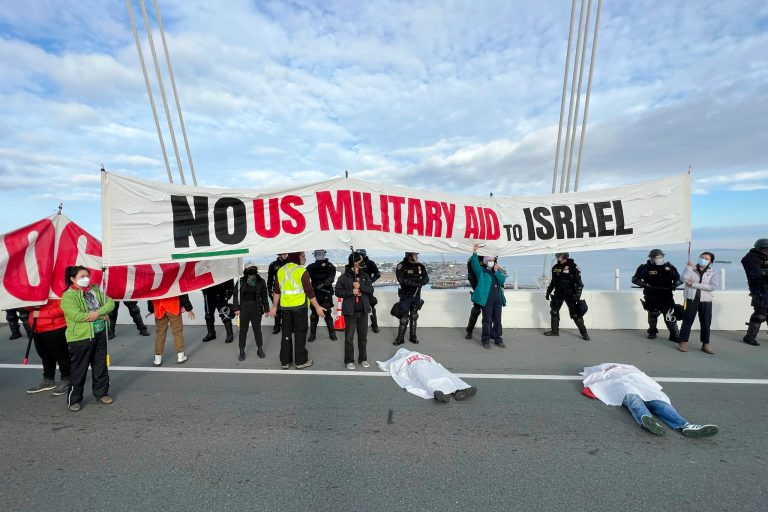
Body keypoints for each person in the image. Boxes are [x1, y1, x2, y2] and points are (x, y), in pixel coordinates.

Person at [581, 363, 719, 438]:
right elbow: (591, 381)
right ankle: (647, 421)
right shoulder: (601, 371)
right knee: (634, 400)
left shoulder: (630, 368)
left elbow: (643, 377)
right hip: (624, 387)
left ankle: (686, 425)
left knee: (660, 404)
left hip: (642, 386)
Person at [60, 265, 115, 412]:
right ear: (72, 279)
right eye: (82, 276)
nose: (86, 279)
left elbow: (110, 303)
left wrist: (100, 312)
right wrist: (100, 315)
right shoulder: (68, 296)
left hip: (100, 333)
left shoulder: (95, 289)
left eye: (87, 276)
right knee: (79, 369)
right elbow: (76, 316)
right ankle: (74, 399)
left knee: (100, 366)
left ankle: (101, 393)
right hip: (80, 338)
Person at [267, 252, 327, 370]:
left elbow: (276, 291)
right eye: (303, 256)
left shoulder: (281, 270)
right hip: (299, 308)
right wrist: (318, 307)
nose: (305, 258)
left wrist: (274, 306)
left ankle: (285, 361)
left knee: (286, 333)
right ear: (297, 257)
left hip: (285, 308)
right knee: (300, 334)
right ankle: (301, 361)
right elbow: (309, 292)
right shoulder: (302, 271)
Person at [377, 348, 477, 403]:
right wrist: (383, 364)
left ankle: (461, 390)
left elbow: (432, 360)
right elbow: (393, 365)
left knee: (443, 374)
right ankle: (440, 393)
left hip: (426, 365)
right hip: (414, 367)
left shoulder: (419, 355)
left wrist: (383, 364)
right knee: (427, 377)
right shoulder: (401, 358)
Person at [335, 252, 374, 370]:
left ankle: (363, 359)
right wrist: (351, 292)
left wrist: (360, 286)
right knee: (349, 338)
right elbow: (338, 292)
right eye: (360, 260)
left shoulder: (365, 276)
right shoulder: (344, 277)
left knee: (363, 337)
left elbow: (370, 290)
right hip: (350, 312)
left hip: (363, 312)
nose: (363, 262)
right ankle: (349, 360)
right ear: (354, 262)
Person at [631, 249, 681, 341]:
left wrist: (674, 285)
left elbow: (679, 279)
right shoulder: (645, 268)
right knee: (653, 315)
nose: (658, 259)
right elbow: (635, 279)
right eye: (655, 257)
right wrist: (645, 285)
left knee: (670, 315)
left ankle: (675, 335)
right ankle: (652, 332)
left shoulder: (669, 267)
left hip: (667, 296)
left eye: (660, 257)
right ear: (650, 257)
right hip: (651, 296)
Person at [24, 300, 72, 396]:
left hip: (55, 327)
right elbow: (25, 306)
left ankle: (67, 379)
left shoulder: (58, 287)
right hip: (36, 327)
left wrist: (40, 313)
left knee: (61, 355)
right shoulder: (36, 288)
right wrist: (31, 305)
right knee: (45, 355)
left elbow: (64, 308)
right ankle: (48, 380)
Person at [677, 252, 719, 354]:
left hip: (706, 300)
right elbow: (683, 279)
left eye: (706, 258)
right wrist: (688, 268)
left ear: (711, 261)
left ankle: (705, 344)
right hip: (691, 299)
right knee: (687, 321)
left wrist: (694, 284)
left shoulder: (713, 272)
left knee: (706, 322)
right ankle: (682, 342)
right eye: (702, 257)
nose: (703, 259)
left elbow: (712, 286)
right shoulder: (692, 268)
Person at [543, 252, 590, 340]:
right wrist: (548, 292)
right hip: (558, 293)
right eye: (557, 255)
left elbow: (579, 283)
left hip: (570, 294)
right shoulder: (555, 267)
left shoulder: (573, 266)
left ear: (565, 256)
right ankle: (554, 331)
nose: (557, 257)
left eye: (559, 255)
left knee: (575, 314)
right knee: (554, 311)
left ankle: (584, 333)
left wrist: (577, 295)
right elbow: (553, 282)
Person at [469, 244, 506, 349]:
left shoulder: (496, 272)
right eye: (489, 260)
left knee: (498, 320)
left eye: (493, 260)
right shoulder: (481, 272)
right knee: (487, 320)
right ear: (485, 262)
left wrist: (496, 271)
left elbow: (502, 280)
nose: (491, 262)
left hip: (497, 300)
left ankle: (498, 339)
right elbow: (475, 264)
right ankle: (486, 340)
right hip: (487, 301)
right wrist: (475, 253)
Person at [233, 261, 270, 361]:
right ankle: (241, 350)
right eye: (249, 268)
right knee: (243, 331)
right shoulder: (241, 281)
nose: (252, 269)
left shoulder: (261, 281)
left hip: (256, 308)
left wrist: (266, 309)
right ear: (246, 270)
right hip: (244, 309)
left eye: (253, 267)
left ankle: (260, 349)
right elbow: (235, 295)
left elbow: (264, 296)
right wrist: (236, 308)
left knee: (257, 330)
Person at [393, 252, 429, 345]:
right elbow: (401, 280)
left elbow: (426, 278)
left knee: (414, 316)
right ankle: (400, 338)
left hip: (417, 295)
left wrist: (422, 282)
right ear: (409, 256)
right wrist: (415, 284)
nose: (417, 257)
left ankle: (413, 337)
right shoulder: (401, 266)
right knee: (404, 317)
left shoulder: (420, 266)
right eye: (415, 255)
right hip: (406, 295)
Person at [148, 294, 195, 366]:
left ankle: (157, 359)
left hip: (158, 306)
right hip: (173, 305)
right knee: (177, 332)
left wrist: (151, 309)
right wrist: (188, 308)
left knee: (160, 333)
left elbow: (150, 293)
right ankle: (180, 356)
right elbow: (182, 293)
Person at [306, 249, 338, 342]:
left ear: (324, 254)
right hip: (315, 295)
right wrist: (311, 287)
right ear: (315, 255)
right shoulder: (311, 267)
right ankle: (312, 335)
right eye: (317, 254)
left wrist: (322, 285)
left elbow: (331, 278)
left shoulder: (330, 266)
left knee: (327, 315)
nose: (319, 256)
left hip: (326, 294)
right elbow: (305, 279)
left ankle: (332, 334)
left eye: (321, 254)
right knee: (314, 316)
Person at [741, 238, 768, 346]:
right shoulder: (751, 258)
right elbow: (754, 274)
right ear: (761, 248)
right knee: (760, 314)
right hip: (760, 290)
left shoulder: (764, 257)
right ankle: (749, 337)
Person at [357, 249, 382, 333]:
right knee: (356, 306)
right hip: (356, 287)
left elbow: (377, 274)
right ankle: (357, 325)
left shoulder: (370, 263)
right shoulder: (354, 263)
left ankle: (374, 325)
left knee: (371, 306)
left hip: (367, 289)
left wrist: (370, 282)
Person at [266, 253, 289, 335]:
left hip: (287, 290)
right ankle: (277, 326)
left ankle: (287, 326)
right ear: (279, 254)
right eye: (283, 254)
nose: (285, 255)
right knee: (277, 309)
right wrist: (269, 289)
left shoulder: (290, 263)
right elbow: (270, 278)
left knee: (287, 310)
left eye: (286, 254)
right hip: (277, 290)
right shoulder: (273, 265)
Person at [464, 255, 483, 340]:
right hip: (478, 287)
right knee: (476, 310)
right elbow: (470, 276)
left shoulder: (491, 256)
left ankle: (488, 332)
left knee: (488, 312)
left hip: (488, 287)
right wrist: (477, 288)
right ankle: (469, 330)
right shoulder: (472, 259)